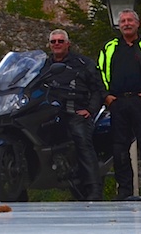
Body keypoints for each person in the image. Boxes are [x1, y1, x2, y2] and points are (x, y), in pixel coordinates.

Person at [98, 9, 141, 201]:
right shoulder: (109, 47)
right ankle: (124, 190)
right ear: (118, 25)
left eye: (130, 20)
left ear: (138, 24)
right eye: (123, 21)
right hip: (118, 103)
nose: (126, 24)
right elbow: (99, 73)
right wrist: (106, 96)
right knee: (119, 149)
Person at [43, 29, 106, 201]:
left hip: (75, 112)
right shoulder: (42, 65)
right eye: (53, 41)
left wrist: (90, 110)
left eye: (60, 41)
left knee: (81, 139)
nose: (57, 44)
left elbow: (97, 89)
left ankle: (94, 188)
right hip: (49, 114)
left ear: (68, 44)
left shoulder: (82, 63)